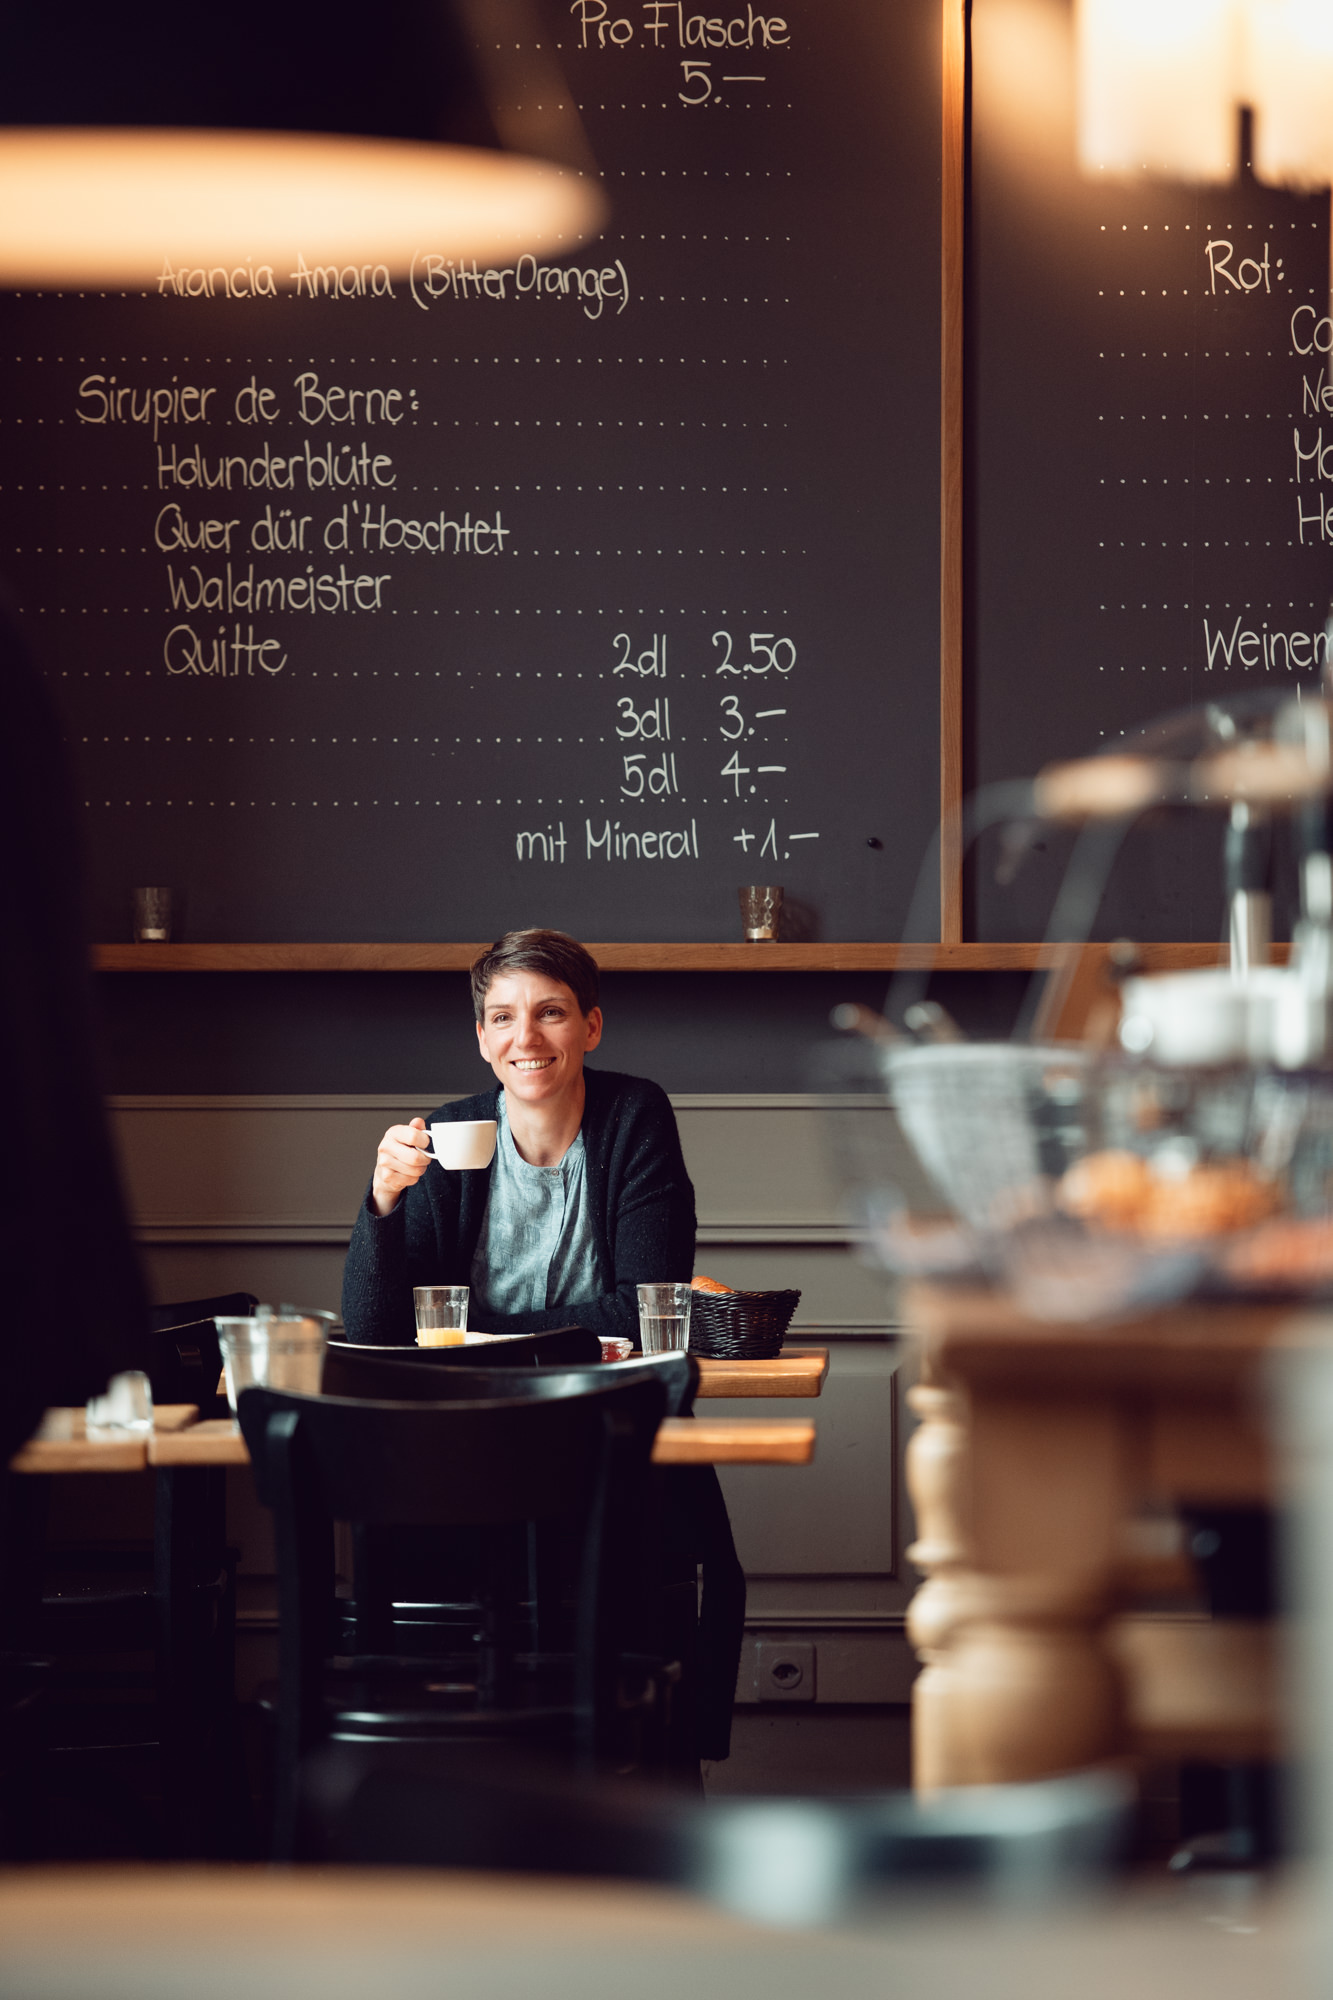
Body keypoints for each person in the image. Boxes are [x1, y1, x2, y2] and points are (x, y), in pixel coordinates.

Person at [341, 928, 696, 1346]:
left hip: (604, 1387)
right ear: (483, 1040)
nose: (526, 1038)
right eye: (503, 1017)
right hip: (472, 1388)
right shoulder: (446, 1132)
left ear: (591, 1027)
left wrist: (468, 1337)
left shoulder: (634, 1115)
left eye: (550, 1012)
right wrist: (384, 1197)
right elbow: (375, 1331)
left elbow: (646, 1312)